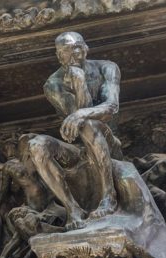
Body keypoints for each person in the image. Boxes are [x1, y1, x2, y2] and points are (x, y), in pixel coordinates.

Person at [28, 32, 122, 230]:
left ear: (86, 48)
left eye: (79, 46)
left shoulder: (107, 67)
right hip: (78, 150)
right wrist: (79, 85)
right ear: (59, 55)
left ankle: (109, 196)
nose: (76, 53)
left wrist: (81, 110)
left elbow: (111, 107)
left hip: (108, 142)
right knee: (36, 145)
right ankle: (73, 209)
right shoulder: (53, 84)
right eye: (68, 50)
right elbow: (75, 122)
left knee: (88, 123)